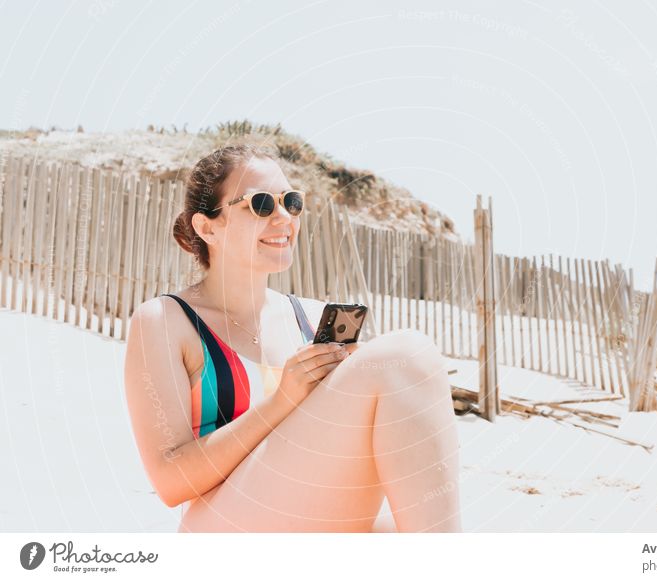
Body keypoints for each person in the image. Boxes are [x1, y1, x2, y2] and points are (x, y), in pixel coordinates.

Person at [123, 144, 462, 532]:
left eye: (293, 202)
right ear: (207, 227)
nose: (284, 217)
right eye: (262, 204)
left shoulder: (312, 318)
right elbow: (170, 482)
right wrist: (283, 400)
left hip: (301, 517)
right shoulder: (167, 321)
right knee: (405, 353)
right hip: (220, 531)